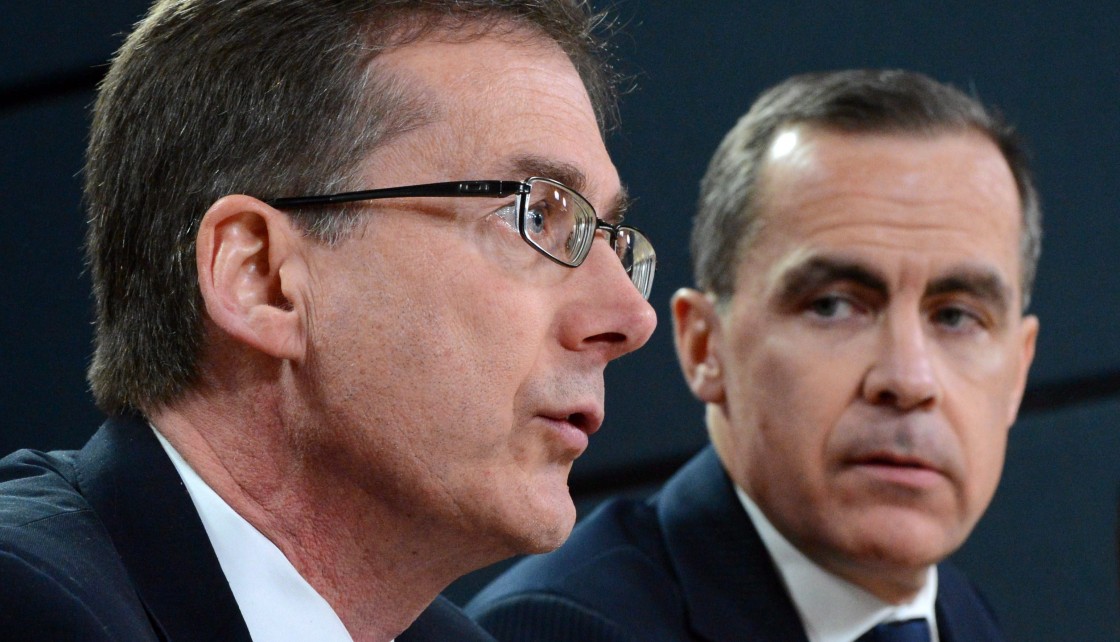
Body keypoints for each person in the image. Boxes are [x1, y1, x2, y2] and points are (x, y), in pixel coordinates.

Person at [0, 1, 658, 640]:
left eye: (608, 235)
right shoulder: (27, 604)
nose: (630, 317)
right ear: (261, 277)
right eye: (536, 216)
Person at [467, 69, 1040, 641]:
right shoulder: (558, 629)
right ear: (704, 347)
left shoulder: (964, 616)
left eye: (957, 317)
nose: (908, 379)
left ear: (1019, 370)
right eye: (834, 305)